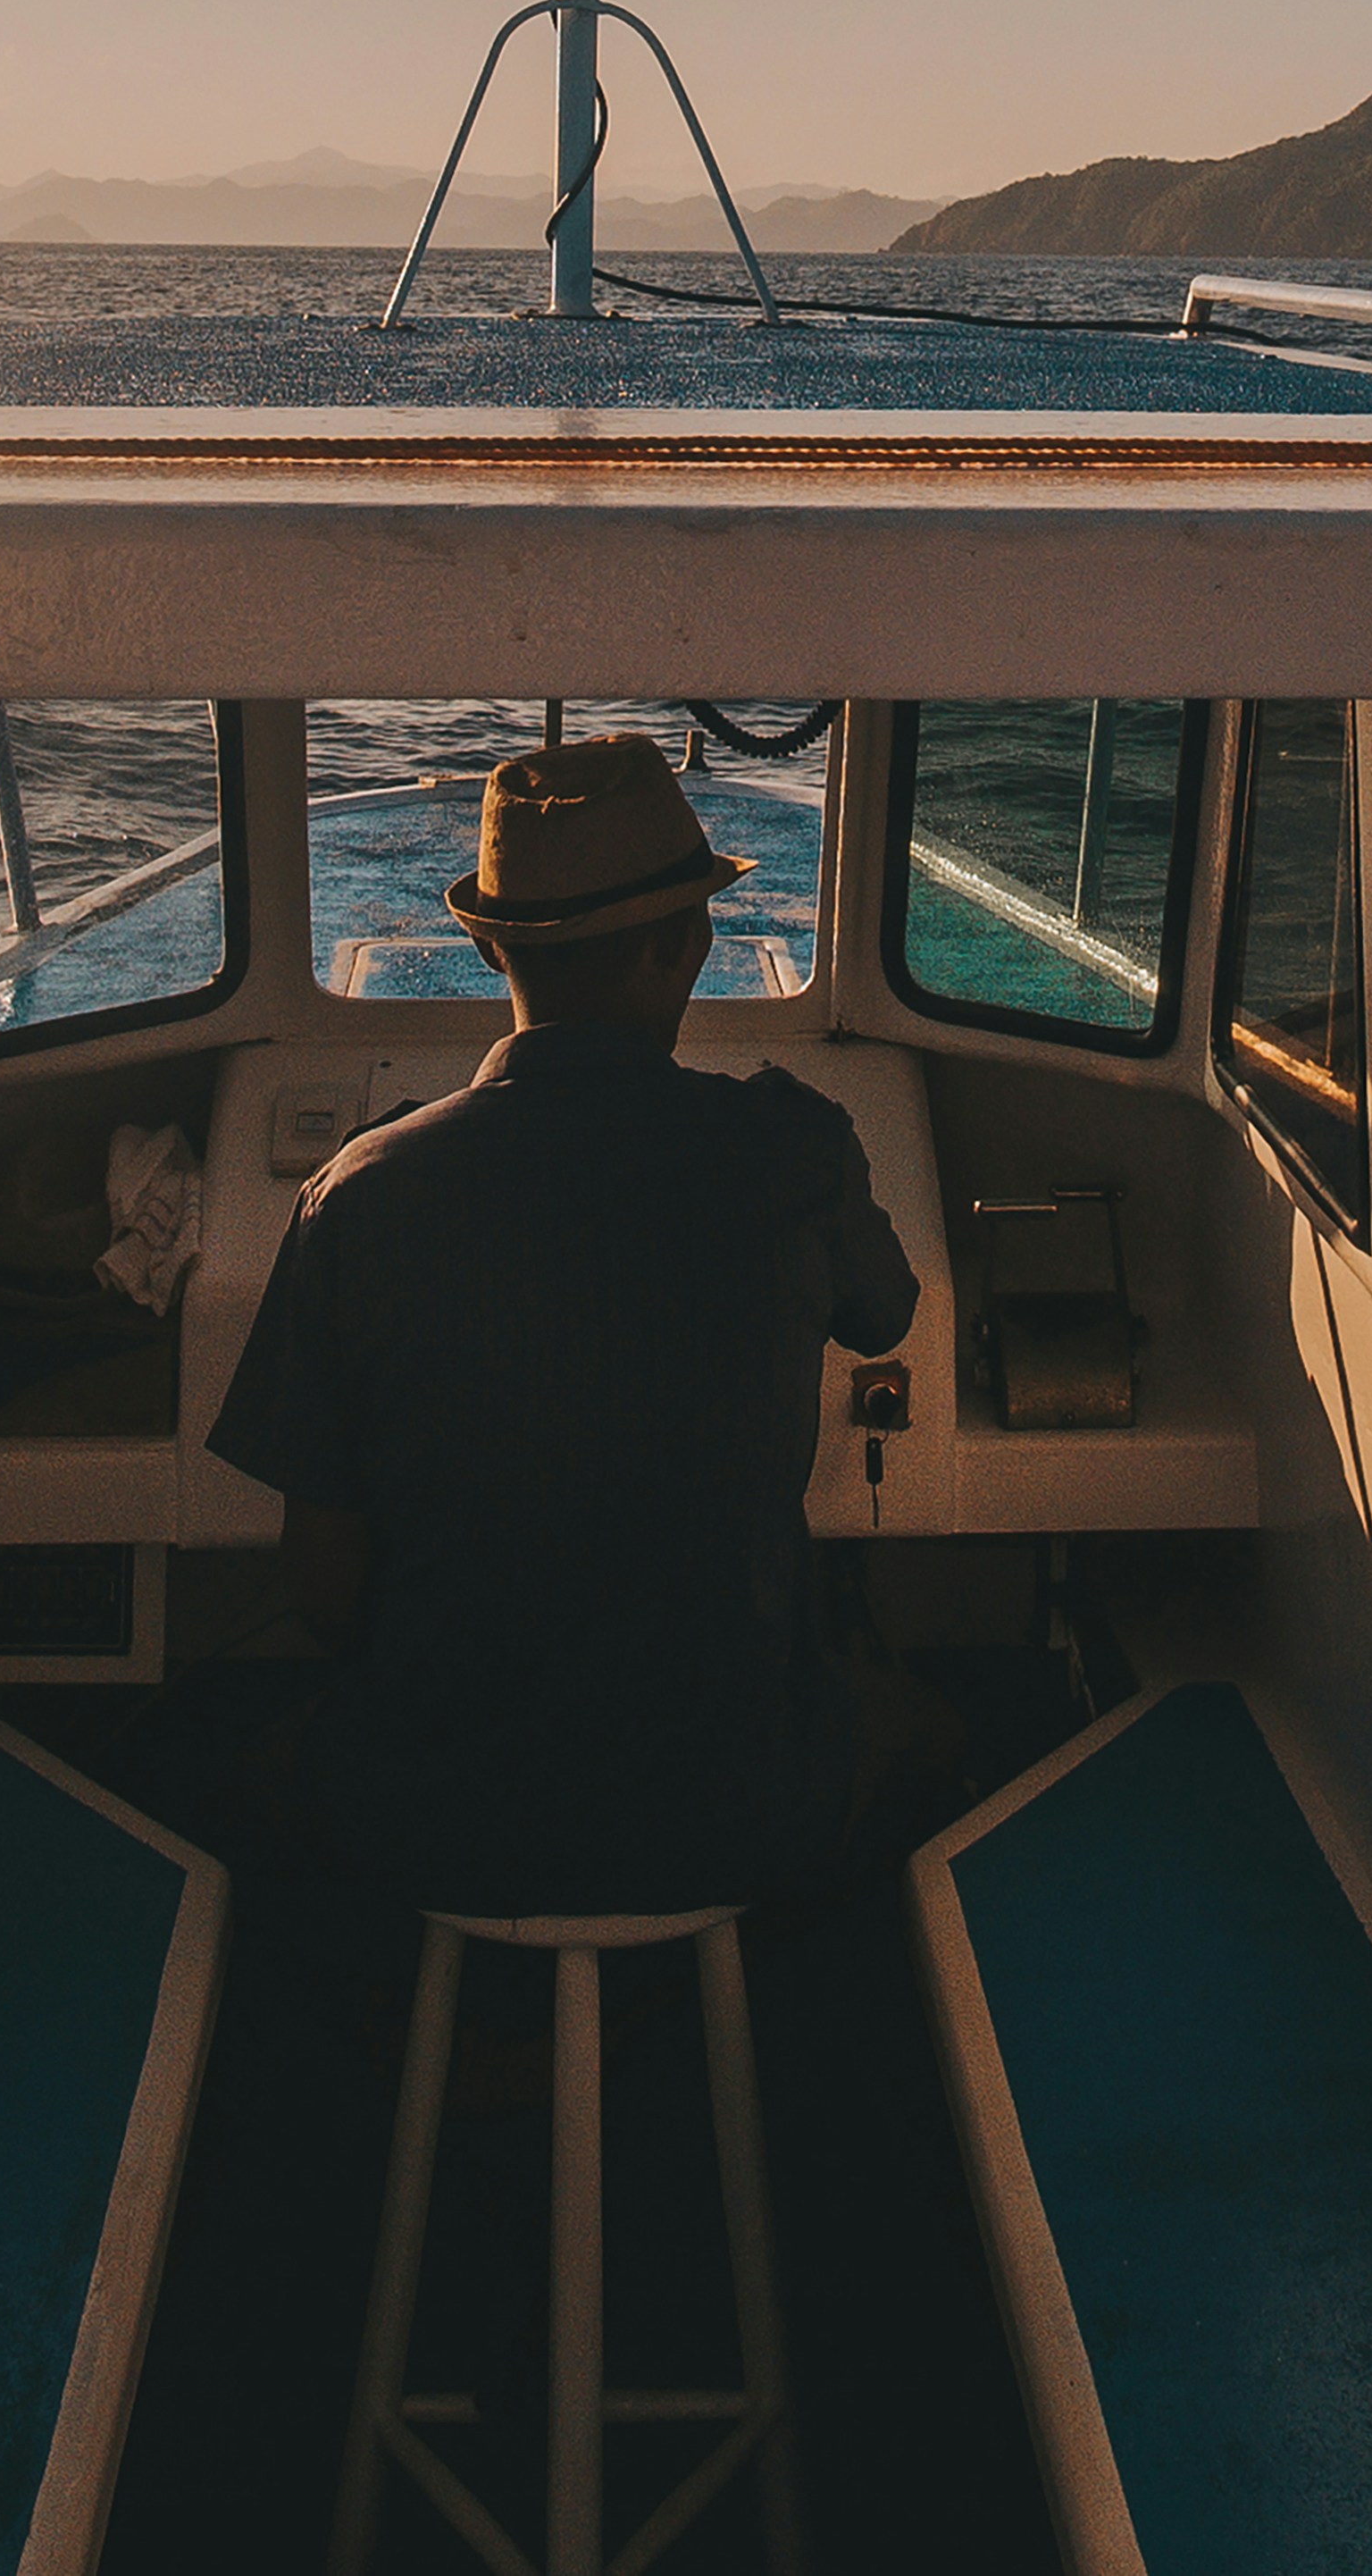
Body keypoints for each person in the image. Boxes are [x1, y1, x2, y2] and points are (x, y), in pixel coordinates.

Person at [205, 735, 923, 1914]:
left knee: (228, 1760)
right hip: (736, 1807)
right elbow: (886, 1311)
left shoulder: (360, 1196)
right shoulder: (791, 1153)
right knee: (930, 1727)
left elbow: (325, 1587)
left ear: (489, 946)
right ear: (688, 941)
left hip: (438, 1817)